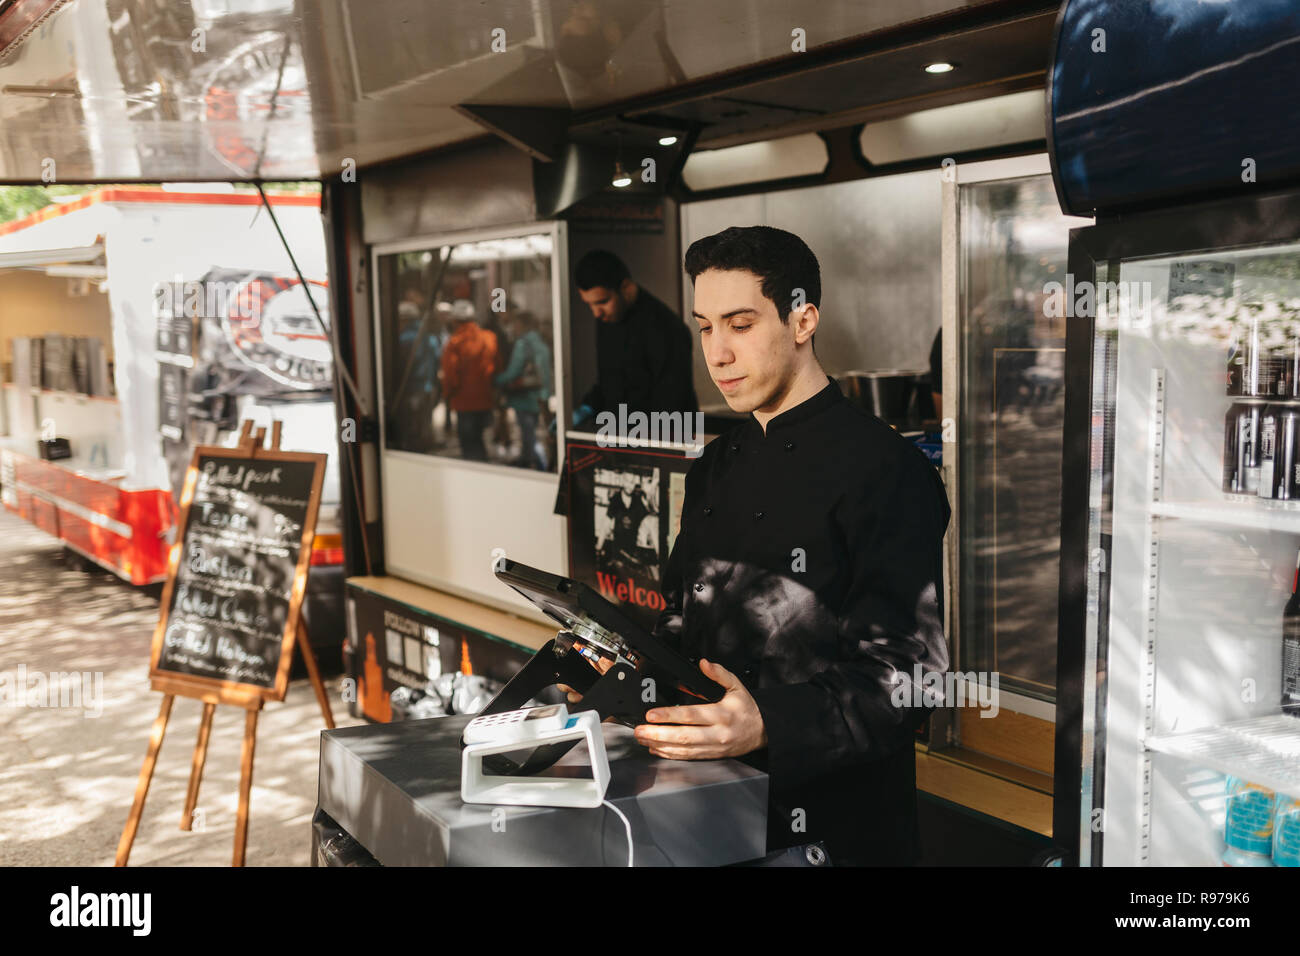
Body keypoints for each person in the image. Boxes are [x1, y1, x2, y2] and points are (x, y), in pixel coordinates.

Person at [632, 224, 951, 866]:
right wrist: (617, 665)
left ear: (802, 320)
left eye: (740, 324)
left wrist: (768, 722)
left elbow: (910, 678)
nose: (716, 353)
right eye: (704, 327)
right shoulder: (715, 465)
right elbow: (678, 616)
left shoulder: (886, 469)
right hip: (706, 805)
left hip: (833, 828)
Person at [571, 249, 698, 429]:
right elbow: (610, 382)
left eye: (602, 302)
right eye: (589, 304)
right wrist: (589, 406)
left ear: (626, 288)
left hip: (662, 439)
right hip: (620, 435)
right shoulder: (607, 318)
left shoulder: (666, 328)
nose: (596, 313)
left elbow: (672, 404)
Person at [493, 310, 553, 470]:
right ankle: (528, 461)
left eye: (517, 324)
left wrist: (496, 379)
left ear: (523, 325)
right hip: (539, 395)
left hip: (524, 396)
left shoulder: (523, 344)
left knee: (528, 434)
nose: (514, 327)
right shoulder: (541, 343)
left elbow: (514, 371)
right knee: (531, 432)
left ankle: (537, 463)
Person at [439, 299, 497, 462]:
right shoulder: (490, 338)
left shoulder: (454, 343)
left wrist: (448, 395)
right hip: (486, 398)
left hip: (464, 402)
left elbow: (450, 375)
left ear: (455, 321)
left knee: (469, 444)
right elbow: (497, 367)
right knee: (479, 439)